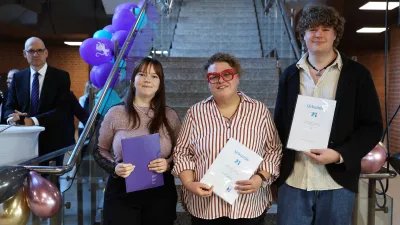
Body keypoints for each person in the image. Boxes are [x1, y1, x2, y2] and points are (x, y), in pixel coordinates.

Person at [274, 5, 383, 225]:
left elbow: (372, 127)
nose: (318, 34)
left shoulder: (358, 75)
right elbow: (279, 125)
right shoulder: (290, 75)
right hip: (294, 178)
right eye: (312, 29)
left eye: (326, 28)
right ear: (303, 34)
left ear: (335, 34)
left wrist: (338, 154)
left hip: (337, 181)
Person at [172, 52, 282, 225]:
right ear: (208, 82)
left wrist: (260, 178)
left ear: (237, 77)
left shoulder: (259, 111)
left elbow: (274, 150)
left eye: (227, 74)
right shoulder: (195, 113)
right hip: (206, 206)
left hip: (248, 205)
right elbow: (182, 153)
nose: (221, 80)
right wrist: (189, 183)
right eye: (213, 76)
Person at [93, 57, 181, 225]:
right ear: (133, 80)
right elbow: (98, 149)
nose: (148, 79)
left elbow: (182, 150)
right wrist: (114, 167)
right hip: (122, 190)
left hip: (160, 192)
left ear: (160, 83)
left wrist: (168, 163)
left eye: (155, 76)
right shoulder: (115, 113)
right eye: (142, 74)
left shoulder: (170, 116)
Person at [5, 37, 71, 166]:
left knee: (49, 183)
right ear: (25, 54)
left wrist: (33, 121)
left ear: (46, 53)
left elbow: (61, 111)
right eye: (31, 51)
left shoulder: (61, 77)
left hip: (52, 142)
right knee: (24, 183)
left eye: (40, 50)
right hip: (21, 142)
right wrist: (13, 118)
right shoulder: (18, 78)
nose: (36, 54)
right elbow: (8, 107)